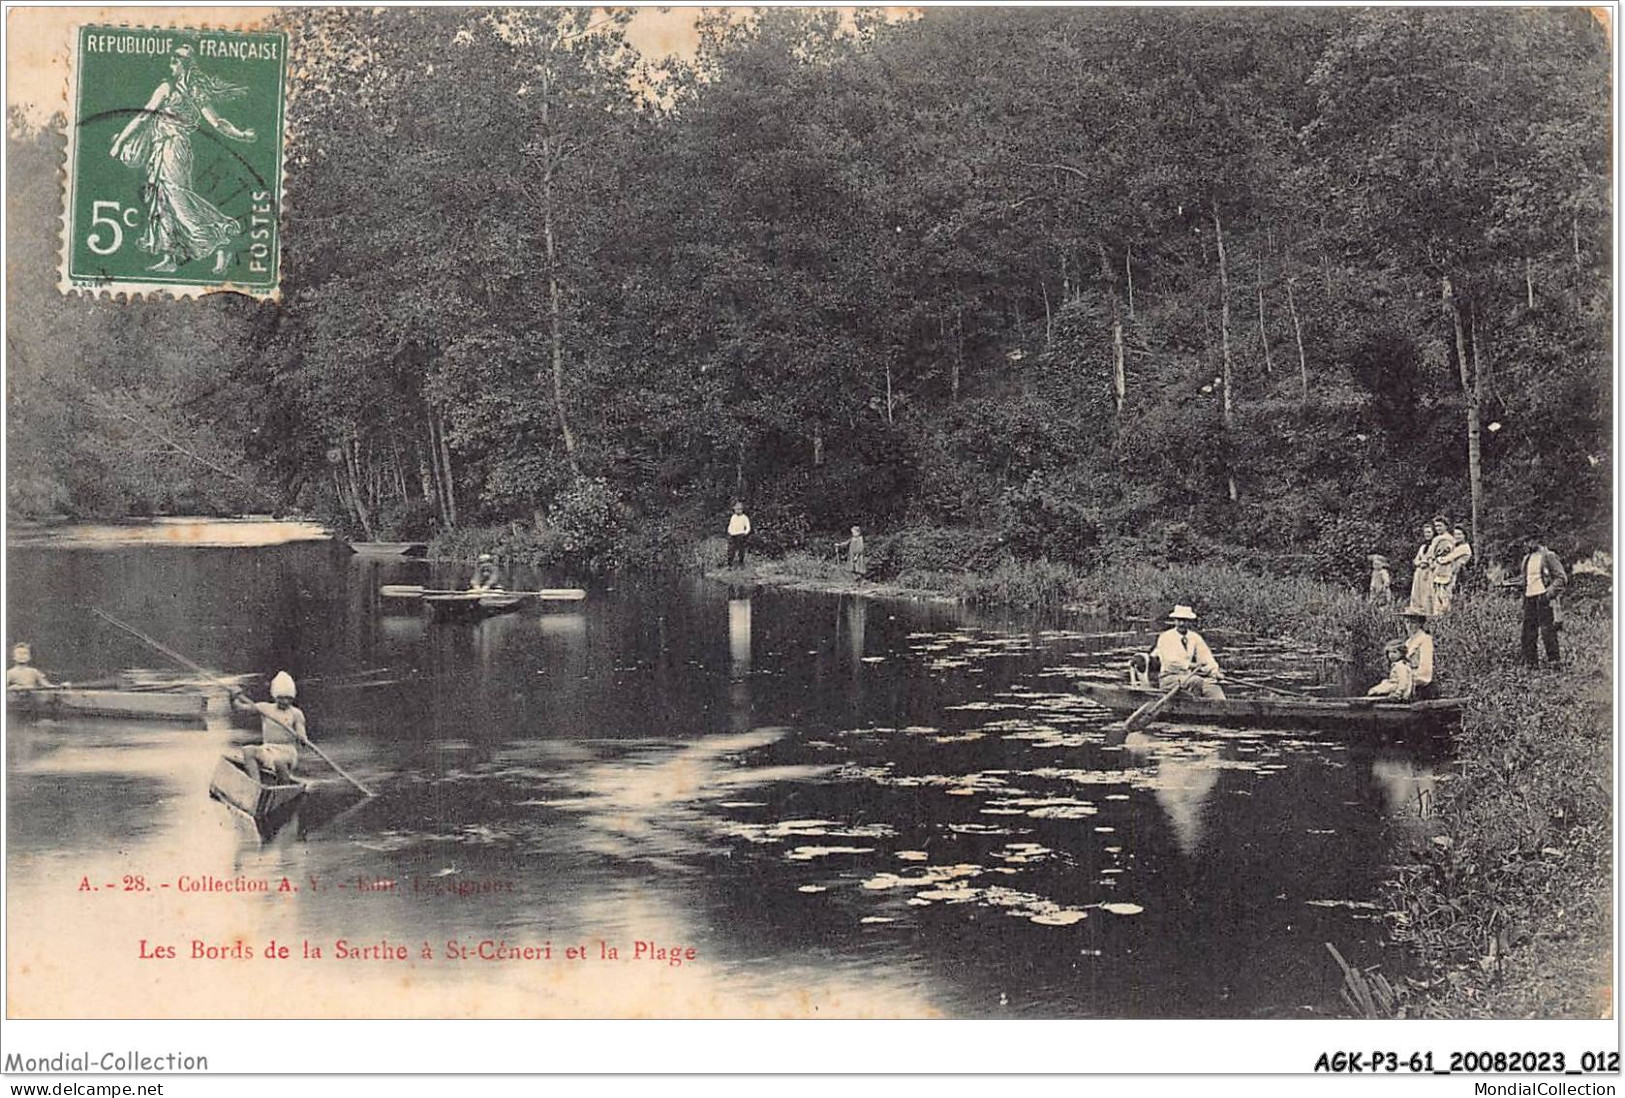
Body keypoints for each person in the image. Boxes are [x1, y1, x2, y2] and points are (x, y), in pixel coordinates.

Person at [108, 44, 258, 274]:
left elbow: (216, 122)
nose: (171, 64)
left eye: (174, 61)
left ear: (184, 64)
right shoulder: (186, 90)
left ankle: (222, 237)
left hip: (173, 149)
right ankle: (171, 257)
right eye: (171, 60)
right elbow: (145, 117)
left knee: (177, 198)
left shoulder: (174, 89)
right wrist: (242, 135)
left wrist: (241, 135)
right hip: (163, 148)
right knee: (162, 200)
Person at [230, 672, 309, 784]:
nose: (285, 702)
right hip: (268, 748)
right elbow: (241, 708)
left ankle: (284, 787)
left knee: (279, 761)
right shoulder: (266, 708)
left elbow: (301, 730)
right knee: (248, 751)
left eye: (288, 698)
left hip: (287, 752)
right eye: (281, 698)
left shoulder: (296, 713)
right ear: (275, 697)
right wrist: (234, 698)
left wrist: (302, 737)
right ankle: (256, 784)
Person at [1150, 605, 1225, 700]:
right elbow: (1171, 662)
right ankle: (1194, 708)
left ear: (1189, 622)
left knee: (1212, 686)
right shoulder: (1165, 637)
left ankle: (1223, 710)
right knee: (1195, 681)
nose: (1181, 624)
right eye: (1179, 620)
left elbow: (1206, 657)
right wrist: (1193, 666)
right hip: (1169, 679)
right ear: (1174, 621)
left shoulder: (1194, 637)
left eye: (1184, 621)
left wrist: (1214, 672)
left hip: (1188, 677)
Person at [1519, 538, 1566, 667]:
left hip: (1543, 598)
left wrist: (1548, 594)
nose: (1526, 544)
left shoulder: (1548, 556)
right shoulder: (1527, 558)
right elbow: (1525, 579)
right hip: (1529, 598)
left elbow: (1561, 578)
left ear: (1536, 541)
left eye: (1528, 541)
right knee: (1528, 632)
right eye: (1526, 542)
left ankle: (1554, 662)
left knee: (1548, 631)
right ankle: (1530, 663)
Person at [1400, 605, 1438, 700]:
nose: (1409, 626)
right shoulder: (1408, 642)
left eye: (1413, 622)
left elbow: (1425, 668)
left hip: (1421, 687)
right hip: (1407, 683)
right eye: (1407, 622)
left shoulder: (1425, 639)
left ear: (1420, 623)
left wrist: (1412, 681)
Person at [1408, 522, 1437, 612]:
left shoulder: (1435, 546)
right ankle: (1417, 610)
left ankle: (1428, 611)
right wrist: (1420, 563)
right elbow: (1416, 560)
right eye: (1425, 533)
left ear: (1433, 533)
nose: (1427, 535)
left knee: (1428, 593)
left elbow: (1436, 560)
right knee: (1417, 592)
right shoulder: (1423, 547)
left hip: (1429, 573)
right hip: (1419, 572)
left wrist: (1427, 563)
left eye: (1429, 532)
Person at [726, 501, 752, 568]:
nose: (738, 511)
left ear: (742, 510)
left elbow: (748, 527)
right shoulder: (733, 517)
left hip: (740, 535)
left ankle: (741, 562)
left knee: (741, 549)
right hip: (732, 535)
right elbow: (730, 525)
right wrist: (729, 531)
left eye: (740, 509)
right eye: (737, 509)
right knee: (731, 549)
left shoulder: (744, 517)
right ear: (734, 509)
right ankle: (730, 563)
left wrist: (745, 533)